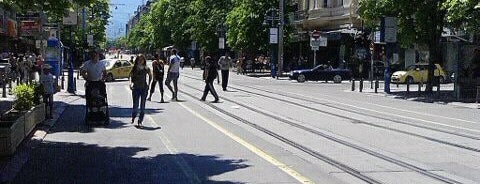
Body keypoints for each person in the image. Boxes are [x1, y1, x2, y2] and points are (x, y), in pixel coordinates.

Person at [129, 54, 152, 126]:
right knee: (135, 105)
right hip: (136, 88)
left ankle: (140, 120)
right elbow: (130, 76)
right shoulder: (134, 68)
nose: (140, 60)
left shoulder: (146, 68)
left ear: (144, 60)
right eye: (139, 59)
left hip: (144, 88)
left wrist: (148, 83)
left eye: (142, 59)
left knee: (142, 106)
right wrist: (131, 83)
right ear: (137, 60)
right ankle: (133, 116)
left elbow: (150, 75)